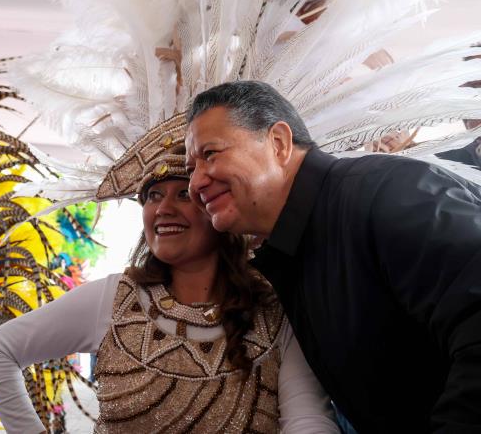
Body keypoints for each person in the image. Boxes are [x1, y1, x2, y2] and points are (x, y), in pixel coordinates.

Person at [0, 128, 340, 433]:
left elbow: (308, 419)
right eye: (152, 196)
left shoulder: (274, 308)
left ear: (219, 207)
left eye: (183, 193)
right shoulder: (113, 298)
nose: (163, 209)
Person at [184, 80, 481, 432]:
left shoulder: (382, 194)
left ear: (278, 142)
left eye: (210, 154)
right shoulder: (289, 255)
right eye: (190, 169)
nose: (196, 183)